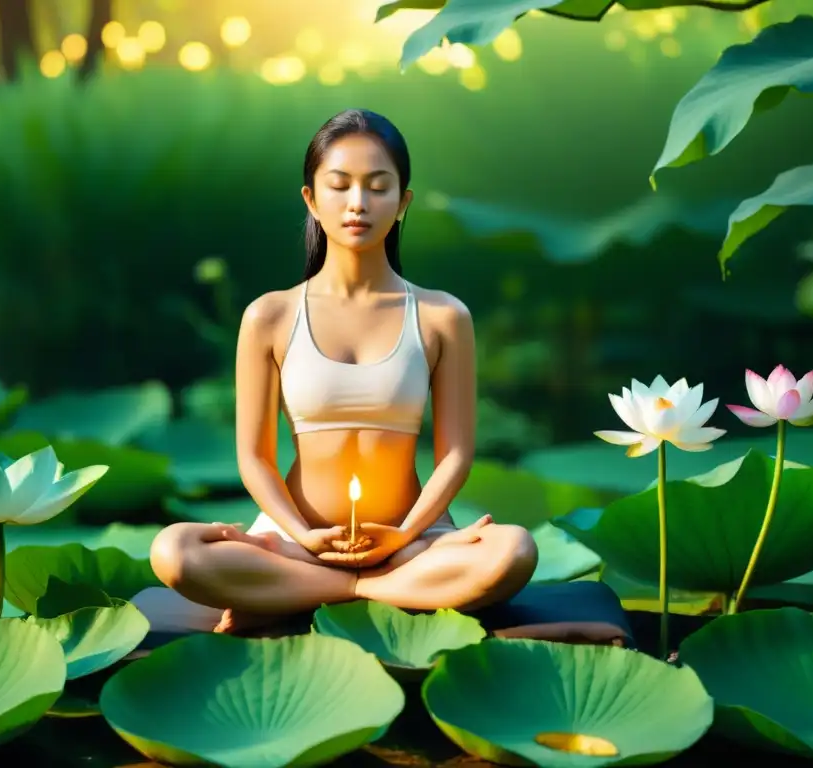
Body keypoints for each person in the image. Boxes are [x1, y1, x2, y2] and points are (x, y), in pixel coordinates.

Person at [149, 109, 538, 634]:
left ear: (402, 204)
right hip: (296, 544)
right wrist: (301, 536)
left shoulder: (443, 316)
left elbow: (456, 454)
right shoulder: (270, 316)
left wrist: (403, 536)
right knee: (175, 551)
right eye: (340, 186)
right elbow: (254, 458)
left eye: (378, 187)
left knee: (513, 550)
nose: (358, 203)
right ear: (311, 198)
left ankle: (329, 593)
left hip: (409, 543)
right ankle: (361, 592)